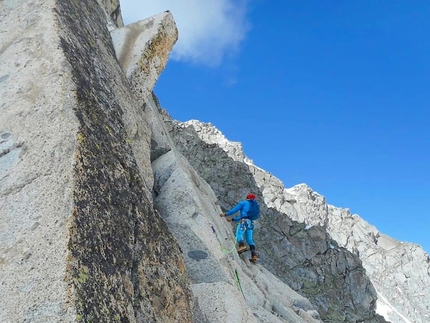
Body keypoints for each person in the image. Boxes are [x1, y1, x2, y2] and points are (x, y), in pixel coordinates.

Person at [220, 193, 260, 263]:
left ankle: (241, 246)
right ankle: (254, 255)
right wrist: (233, 219)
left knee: (239, 234)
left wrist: (226, 214)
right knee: (250, 239)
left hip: (244, 221)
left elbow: (234, 210)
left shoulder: (243, 203)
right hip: (250, 223)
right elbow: (246, 216)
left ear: (247, 197)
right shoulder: (254, 206)